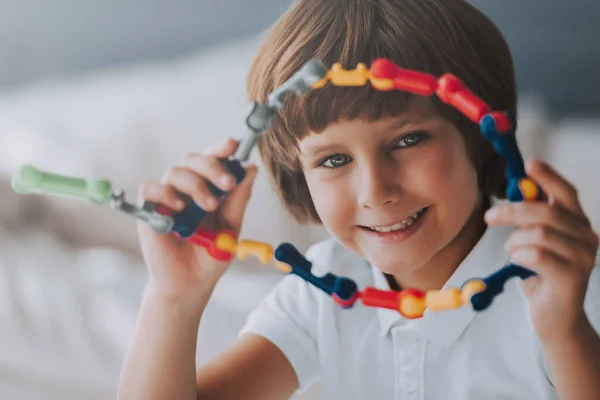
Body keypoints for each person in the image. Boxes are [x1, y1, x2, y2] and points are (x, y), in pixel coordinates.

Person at [117, 0, 600, 399]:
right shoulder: (323, 292)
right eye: (332, 161)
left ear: (480, 136)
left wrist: (565, 331)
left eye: (408, 141)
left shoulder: (562, 291)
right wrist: (173, 299)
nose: (377, 192)